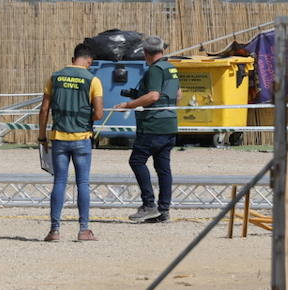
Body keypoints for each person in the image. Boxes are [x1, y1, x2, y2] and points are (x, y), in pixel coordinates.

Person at [38, 42, 104, 242]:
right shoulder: (93, 80)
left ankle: (54, 230)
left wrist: (42, 136)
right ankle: (84, 230)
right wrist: (84, 119)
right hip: (82, 139)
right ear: (89, 61)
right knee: (82, 183)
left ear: (73, 58)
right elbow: (99, 113)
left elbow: (43, 109)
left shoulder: (55, 77)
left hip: (59, 138)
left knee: (59, 182)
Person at [116, 35, 181, 223]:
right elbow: (178, 94)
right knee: (163, 168)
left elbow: (153, 96)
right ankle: (164, 210)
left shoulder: (155, 70)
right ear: (162, 49)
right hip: (170, 124)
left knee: (136, 161)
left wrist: (129, 105)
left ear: (145, 53)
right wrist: (139, 96)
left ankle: (148, 204)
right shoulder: (171, 68)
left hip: (153, 124)